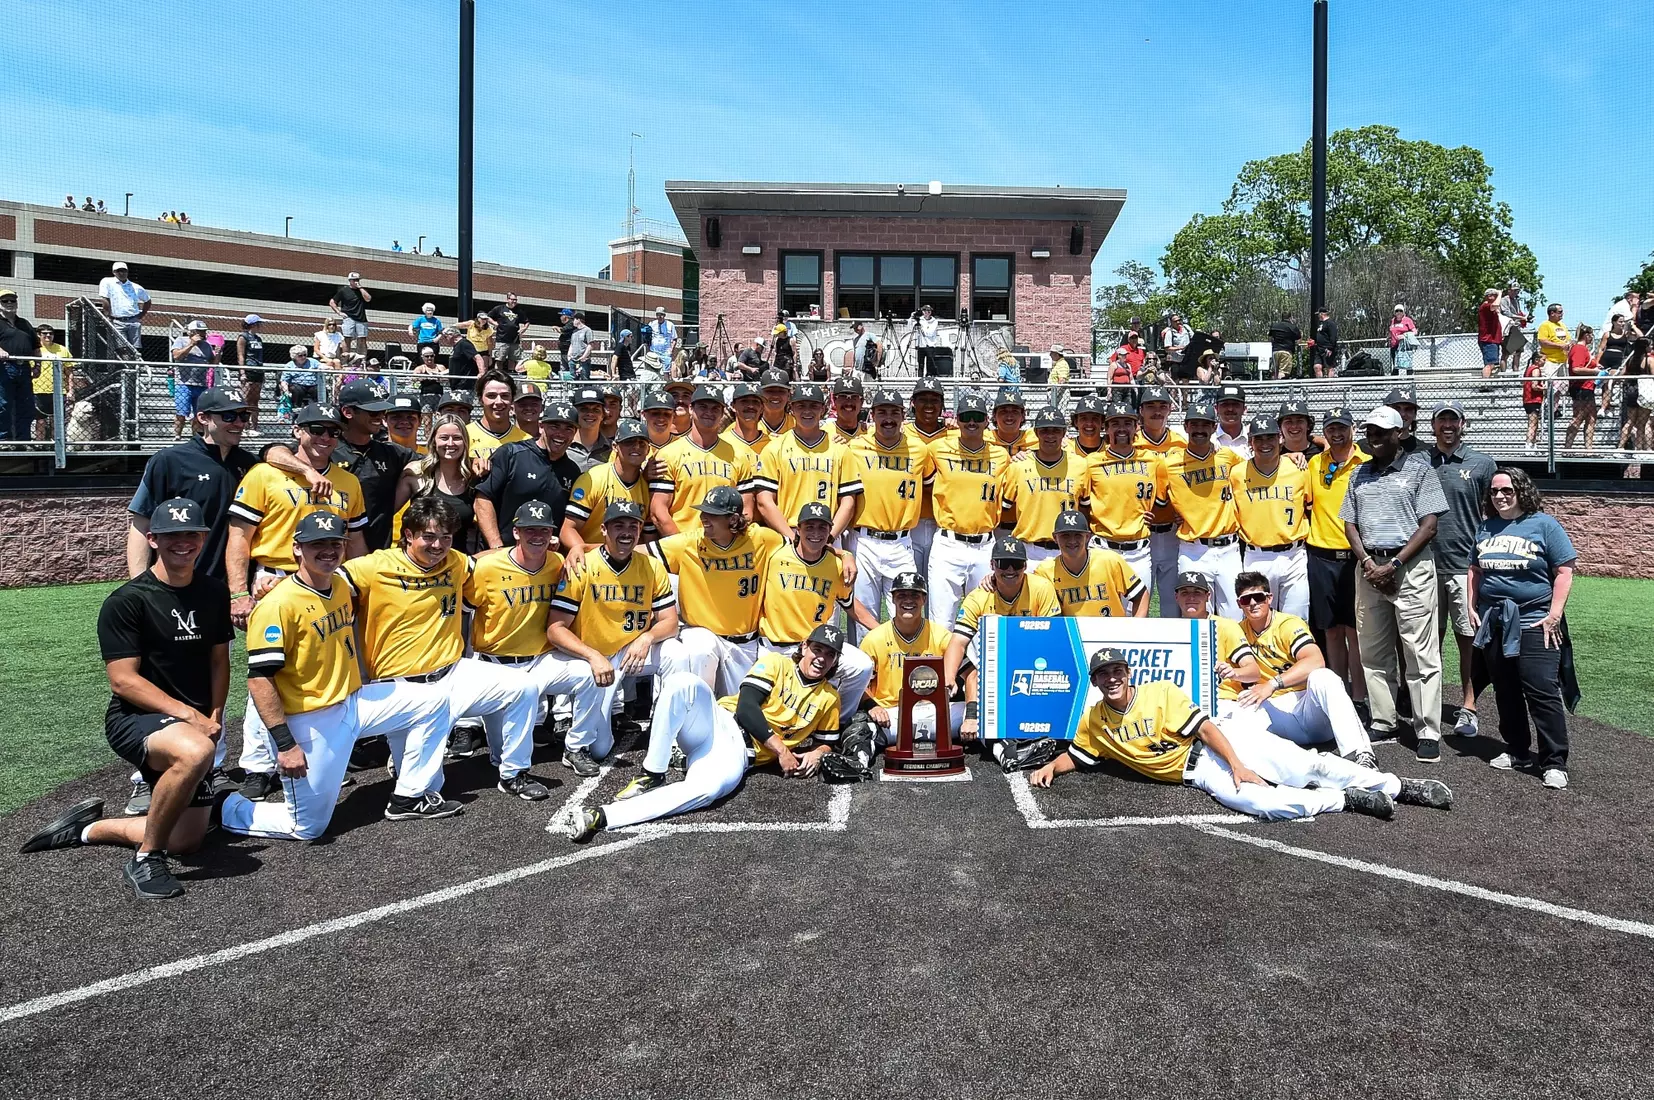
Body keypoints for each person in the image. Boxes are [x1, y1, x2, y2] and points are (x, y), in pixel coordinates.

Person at [18, 499, 233, 899]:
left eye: (191, 534)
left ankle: (84, 828)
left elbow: (219, 661)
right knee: (194, 751)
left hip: (194, 723)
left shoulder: (213, 592)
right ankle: (145, 859)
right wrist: (192, 718)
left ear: (203, 538)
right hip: (137, 718)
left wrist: (215, 715)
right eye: (171, 535)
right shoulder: (127, 600)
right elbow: (123, 682)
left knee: (187, 842)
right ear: (152, 539)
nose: (182, 542)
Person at [1028, 648, 1451, 821]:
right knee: (1261, 803)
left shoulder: (1157, 693)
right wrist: (1051, 766)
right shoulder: (1095, 720)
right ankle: (1345, 800)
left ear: (1127, 672)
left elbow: (1208, 729)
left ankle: (1398, 786)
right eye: (1104, 675)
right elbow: (1081, 756)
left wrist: (1238, 765)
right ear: (1097, 682)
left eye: (1117, 671)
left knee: (1304, 763)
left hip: (1221, 743)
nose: (1112, 679)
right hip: (1195, 774)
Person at [567, 626, 845, 842]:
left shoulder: (830, 698)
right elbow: (747, 708)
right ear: (804, 647)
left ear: (834, 662)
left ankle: (601, 816)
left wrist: (817, 754)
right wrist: (782, 751)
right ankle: (653, 772)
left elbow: (827, 742)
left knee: (706, 791)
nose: (820, 658)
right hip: (716, 720)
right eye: (817, 649)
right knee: (683, 682)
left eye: (829, 654)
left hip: (736, 755)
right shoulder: (777, 663)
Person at [218, 510, 364, 840]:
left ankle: (412, 790)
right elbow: (259, 679)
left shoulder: (338, 582)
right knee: (307, 826)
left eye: (334, 543)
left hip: (351, 703)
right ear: (297, 548)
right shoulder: (276, 605)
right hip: (305, 719)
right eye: (317, 544)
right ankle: (224, 806)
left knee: (430, 701)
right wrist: (286, 746)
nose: (328, 550)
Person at [465, 501, 596, 799]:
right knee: (497, 755)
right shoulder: (486, 567)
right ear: (516, 532)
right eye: (529, 530)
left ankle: (574, 748)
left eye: (543, 529)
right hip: (495, 665)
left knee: (589, 672)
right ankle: (506, 766)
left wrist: (578, 547)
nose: (536, 535)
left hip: (541, 661)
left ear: (552, 533)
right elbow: (463, 611)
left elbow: (607, 547)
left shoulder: (556, 563)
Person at [1339, 406, 1449, 762]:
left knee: (1419, 652)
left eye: (1381, 431)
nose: (1374, 437)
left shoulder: (1420, 468)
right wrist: (1370, 564)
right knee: (1372, 649)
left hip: (1410, 568)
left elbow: (1429, 525)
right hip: (1370, 566)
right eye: (1370, 430)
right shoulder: (1358, 475)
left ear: (1399, 433)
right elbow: (1349, 524)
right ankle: (1383, 719)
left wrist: (1395, 564)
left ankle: (1427, 729)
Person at [547, 500, 683, 776]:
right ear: (604, 530)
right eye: (618, 525)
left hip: (633, 651)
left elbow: (670, 623)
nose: (626, 532)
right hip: (595, 657)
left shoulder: (651, 566)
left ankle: (673, 736)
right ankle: (577, 746)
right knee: (600, 748)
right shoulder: (583, 564)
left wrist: (646, 639)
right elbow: (555, 628)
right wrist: (592, 656)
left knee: (678, 654)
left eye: (633, 526)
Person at [1469, 468, 1577, 790]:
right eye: (1494, 491)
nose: (1500, 496)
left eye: (1507, 490)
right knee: (1505, 687)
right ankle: (1517, 750)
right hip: (1495, 620)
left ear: (1522, 490)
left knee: (1541, 689)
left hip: (1535, 619)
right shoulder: (1486, 527)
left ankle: (1554, 761)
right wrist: (1472, 605)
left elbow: (1564, 570)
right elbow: (1474, 568)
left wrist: (1555, 614)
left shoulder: (1544, 524)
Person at [1228, 570, 1376, 766]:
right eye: (1246, 600)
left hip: (1307, 707)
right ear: (1239, 604)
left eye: (1258, 597)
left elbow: (1316, 661)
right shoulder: (1236, 631)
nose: (1253, 603)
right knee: (1239, 708)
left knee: (1324, 677)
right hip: (1274, 710)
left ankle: (1361, 754)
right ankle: (1288, 768)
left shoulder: (1288, 624)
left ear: (1269, 598)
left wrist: (1272, 684)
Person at [650, 485, 784, 695]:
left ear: (732, 519)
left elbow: (803, 550)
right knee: (700, 650)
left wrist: (842, 555)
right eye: (704, 512)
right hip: (701, 634)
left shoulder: (761, 538)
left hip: (745, 644)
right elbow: (635, 554)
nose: (703, 517)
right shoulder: (690, 542)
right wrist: (582, 548)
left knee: (734, 712)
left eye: (712, 514)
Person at [755, 501, 876, 719]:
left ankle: (839, 722)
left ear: (830, 531)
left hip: (816, 649)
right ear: (797, 529)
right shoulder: (775, 553)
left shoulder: (835, 565)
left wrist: (880, 630)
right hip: (773, 649)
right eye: (809, 527)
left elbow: (849, 604)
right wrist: (844, 553)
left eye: (822, 528)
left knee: (862, 665)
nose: (816, 533)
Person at [944, 536, 1060, 757]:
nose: (1009, 569)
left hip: (1033, 660)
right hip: (992, 667)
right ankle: (974, 715)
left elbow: (1051, 640)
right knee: (984, 634)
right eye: (1002, 563)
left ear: (1025, 566)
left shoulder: (1041, 588)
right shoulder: (978, 597)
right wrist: (948, 678)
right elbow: (959, 641)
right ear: (992, 565)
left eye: (1015, 564)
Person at [1425, 401, 1497, 739]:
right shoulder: (1419, 461)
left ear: (1463, 423)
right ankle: (1429, 705)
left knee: (1467, 639)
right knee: (1427, 641)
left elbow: (1494, 512)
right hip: (1423, 564)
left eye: (1453, 420)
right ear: (1433, 425)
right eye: (1442, 421)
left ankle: (1469, 706)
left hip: (1464, 566)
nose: (1447, 426)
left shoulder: (1482, 464)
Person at [923, 391, 1012, 628]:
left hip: (985, 545)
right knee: (942, 621)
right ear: (957, 419)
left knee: (986, 620)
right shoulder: (936, 449)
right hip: (948, 544)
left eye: (977, 416)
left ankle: (980, 667)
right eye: (965, 417)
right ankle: (943, 666)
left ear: (986, 421)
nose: (971, 422)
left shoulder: (1001, 455)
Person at [1304, 407, 1368, 719]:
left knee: (1354, 631)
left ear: (1352, 428)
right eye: (1331, 428)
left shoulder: (1367, 463)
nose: (1336, 433)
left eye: (1342, 427)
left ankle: (1359, 697)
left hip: (1354, 557)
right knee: (1330, 629)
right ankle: (1338, 694)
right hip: (1320, 555)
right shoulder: (1315, 463)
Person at [844, 387, 927, 622]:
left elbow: (931, 484)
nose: (888, 419)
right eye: (882, 412)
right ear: (872, 415)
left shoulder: (919, 451)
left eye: (894, 412)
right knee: (863, 618)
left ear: (903, 416)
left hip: (901, 542)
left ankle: (902, 660)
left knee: (906, 615)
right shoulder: (855, 448)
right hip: (863, 541)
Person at [1165, 400, 1244, 617]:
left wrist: (1290, 454)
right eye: (1195, 424)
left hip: (1229, 548)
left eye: (1205, 424)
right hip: (1193, 550)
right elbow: (1157, 497)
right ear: (1186, 426)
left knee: (1235, 616)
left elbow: (1257, 468)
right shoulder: (1169, 463)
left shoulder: (1228, 456)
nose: (1200, 429)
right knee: (1195, 615)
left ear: (1213, 427)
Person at [754, 384, 863, 542]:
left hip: (828, 531)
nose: (807, 411)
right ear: (791, 409)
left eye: (813, 406)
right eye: (801, 406)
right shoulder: (774, 448)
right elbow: (764, 501)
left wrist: (830, 538)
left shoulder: (840, 449)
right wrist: (792, 538)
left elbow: (848, 502)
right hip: (788, 532)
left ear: (823, 409)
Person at [1229, 416, 1312, 620]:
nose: (1265, 444)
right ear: (1250, 442)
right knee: (1258, 620)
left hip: (1294, 555)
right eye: (1259, 439)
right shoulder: (1237, 473)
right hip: (1256, 555)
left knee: (1296, 621)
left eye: (1270, 438)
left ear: (1281, 439)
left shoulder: (1299, 469)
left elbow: (1309, 506)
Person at [651, 384, 759, 535]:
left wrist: (728, 542)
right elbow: (658, 512)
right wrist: (683, 546)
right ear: (691, 409)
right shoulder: (668, 454)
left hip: (725, 546)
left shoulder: (738, 454)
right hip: (682, 543)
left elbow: (746, 510)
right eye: (703, 406)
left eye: (715, 408)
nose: (709, 412)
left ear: (722, 413)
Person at [473, 400, 582, 549]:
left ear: (575, 433)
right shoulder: (511, 454)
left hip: (544, 560)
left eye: (568, 428)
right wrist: (496, 546)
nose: (560, 434)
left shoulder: (572, 471)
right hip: (501, 555)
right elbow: (482, 500)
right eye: (554, 426)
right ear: (541, 426)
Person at [1083, 401, 1167, 592]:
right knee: (1103, 611)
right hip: (1103, 547)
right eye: (1115, 423)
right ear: (1106, 428)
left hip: (1139, 550)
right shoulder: (1090, 462)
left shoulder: (1154, 461)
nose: (1121, 429)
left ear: (1137, 426)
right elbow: (1082, 503)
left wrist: (1149, 515)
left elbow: (1162, 502)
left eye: (1127, 423)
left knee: (1138, 613)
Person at [999, 407, 1088, 564]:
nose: (1050, 435)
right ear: (1036, 432)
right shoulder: (1018, 466)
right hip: (1029, 550)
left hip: (1067, 549)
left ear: (1063, 432)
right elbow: (1004, 508)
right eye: (1045, 430)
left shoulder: (1080, 465)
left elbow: (1086, 508)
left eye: (1055, 430)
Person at [1035, 509, 1146, 618]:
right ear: (1055, 538)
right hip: (1072, 635)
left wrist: (1136, 630)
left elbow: (1141, 595)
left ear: (1087, 537)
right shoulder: (1045, 572)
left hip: (1111, 633)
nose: (1072, 541)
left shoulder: (1109, 561)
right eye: (1065, 535)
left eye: (1078, 535)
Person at [395, 412, 479, 552]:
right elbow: (385, 515)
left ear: (465, 442)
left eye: (457, 438)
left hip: (457, 562)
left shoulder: (474, 476)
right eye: (444, 438)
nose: (450, 443)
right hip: (417, 560)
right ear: (434, 440)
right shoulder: (416, 473)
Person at [466, 370, 531, 465]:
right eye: (491, 396)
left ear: (512, 400)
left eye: (505, 396)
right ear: (480, 400)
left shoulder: (526, 441)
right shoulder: (463, 435)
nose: (499, 402)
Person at [168, 320, 217, 437]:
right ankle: (177, 436)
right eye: (200, 331)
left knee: (199, 414)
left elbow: (212, 363)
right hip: (183, 384)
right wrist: (191, 344)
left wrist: (218, 354)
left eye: (204, 331)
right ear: (192, 332)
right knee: (181, 412)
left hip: (201, 384)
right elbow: (176, 356)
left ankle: (196, 437)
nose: (203, 334)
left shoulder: (207, 345)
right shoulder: (180, 341)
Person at [98, 261, 151, 354]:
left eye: (124, 271)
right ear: (114, 272)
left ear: (127, 272)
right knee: (122, 347)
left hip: (133, 319)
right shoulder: (107, 282)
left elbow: (147, 300)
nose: (122, 273)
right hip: (117, 320)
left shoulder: (136, 287)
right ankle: (127, 365)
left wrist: (142, 314)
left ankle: (134, 366)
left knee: (135, 347)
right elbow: (104, 299)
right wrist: (107, 315)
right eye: (119, 271)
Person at [31, 324, 71, 441]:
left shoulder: (62, 350)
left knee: (57, 420)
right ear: (39, 335)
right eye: (44, 333)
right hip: (39, 390)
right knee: (40, 420)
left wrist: (71, 390)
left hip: (59, 390)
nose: (48, 335)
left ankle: (56, 443)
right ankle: (40, 445)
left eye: (50, 333)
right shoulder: (34, 351)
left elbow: (69, 371)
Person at [1562, 322, 1598, 453]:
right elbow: (1576, 368)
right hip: (1581, 387)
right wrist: (1595, 372)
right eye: (1591, 335)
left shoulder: (1583, 349)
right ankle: (1567, 448)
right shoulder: (1579, 348)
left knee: (1591, 417)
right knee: (1578, 417)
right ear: (1586, 335)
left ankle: (1589, 449)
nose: (1592, 338)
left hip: (1588, 386)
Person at [329, 271, 373, 361]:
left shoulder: (361, 291)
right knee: (347, 339)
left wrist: (360, 287)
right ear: (350, 281)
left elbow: (368, 299)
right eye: (354, 280)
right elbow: (332, 302)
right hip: (349, 317)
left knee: (362, 340)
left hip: (361, 318)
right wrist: (339, 312)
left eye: (357, 279)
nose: (356, 281)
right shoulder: (344, 290)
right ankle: (346, 360)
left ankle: (362, 361)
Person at [990, 388, 1035, 456]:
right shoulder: (983, 439)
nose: (1009, 417)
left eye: (1015, 411)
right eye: (1003, 411)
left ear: (1023, 416)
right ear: (994, 415)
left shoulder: (1035, 438)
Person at [487, 292, 529, 366]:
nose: (514, 301)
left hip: (515, 341)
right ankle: (498, 376)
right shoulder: (499, 308)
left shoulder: (519, 311)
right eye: (512, 299)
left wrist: (524, 328)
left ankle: (512, 376)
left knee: (513, 360)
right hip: (501, 340)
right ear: (507, 299)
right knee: (499, 360)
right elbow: (488, 317)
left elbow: (527, 322)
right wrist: (494, 323)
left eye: (516, 300)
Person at [1211, 385, 1250, 457]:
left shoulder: (1253, 439)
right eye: (1225, 404)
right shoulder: (1209, 439)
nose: (1230, 409)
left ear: (1244, 409)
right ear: (1216, 409)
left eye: (1236, 404)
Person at [1500, 282, 1530, 376]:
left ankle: (1516, 373)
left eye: (1518, 290)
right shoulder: (1504, 300)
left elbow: (1517, 314)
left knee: (1518, 352)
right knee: (1506, 353)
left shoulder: (1516, 301)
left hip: (1516, 328)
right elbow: (1506, 314)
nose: (1516, 292)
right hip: (1508, 329)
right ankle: (1503, 376)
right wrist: (1521, 318)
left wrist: (1525, 318)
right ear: (1509, 290)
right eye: (1514, 290)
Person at [281, 345, 322, 410]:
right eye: (300, 356)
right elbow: (284, 381)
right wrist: (286, 391)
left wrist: (326, 367)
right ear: (294, 357)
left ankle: (319, 408)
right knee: (297, 390)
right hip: (298, 385)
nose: (303, 357)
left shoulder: (312, 361)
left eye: (305, 355)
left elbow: (321, 366)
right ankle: (296, 408)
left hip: (312, 384)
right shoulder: (289, 366)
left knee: (318, 390)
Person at [828, 375, 865, 446]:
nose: (848, 402)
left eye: (854, 397)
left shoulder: (872, 434)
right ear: (834, 400)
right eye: (843, 396)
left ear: (862, 402)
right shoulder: (823, 434)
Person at [445, 325, 484, 391]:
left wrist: (481, 372)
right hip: (456, 386)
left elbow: (478, 357)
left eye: (445, 337)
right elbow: (455, 367)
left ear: (451, 335)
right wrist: (439, 374)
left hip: (464, 385)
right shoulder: (456, 347)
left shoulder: (464, 343)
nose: (445, 339)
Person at [1521, 351, 1546, 454]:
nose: (1545, 362)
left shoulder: (1529, 369)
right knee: (1533, 424)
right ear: (1537, 360)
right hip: (1533, 400)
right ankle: (1528, 446)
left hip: (1528, 400)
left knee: (1535, 423)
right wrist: (1544, 387)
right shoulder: (1535, 370)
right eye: (1543, 359)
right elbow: (1534, 386)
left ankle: (1533, 445)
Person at [907, 305, 942, 377]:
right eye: (925, 311)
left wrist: (921, 327)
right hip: (921, 345)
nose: (927, 313)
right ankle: (920, 379)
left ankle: (929, 379)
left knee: (930, 365)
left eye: (929, 311)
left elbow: (930, 333)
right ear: (923, 312)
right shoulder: (920, 320)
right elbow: (910, 327)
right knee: (920, 364)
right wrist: (911, 318)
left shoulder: (934, 321)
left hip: (930, 345)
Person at [1477, 288, 1505, 379]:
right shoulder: (1485, 306)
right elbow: (1495, 305)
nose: (1497, 298)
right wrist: (1500, 293)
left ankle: (1488, 382)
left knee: (1493, 364)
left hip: (1493, 340)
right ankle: (1485, 383)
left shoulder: (1491, 309)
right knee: (1489, 364)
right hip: (1488, 340)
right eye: (1495, 296)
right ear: (1489, 296)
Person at [1267, 312, 1301, 379]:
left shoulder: (1274, 326)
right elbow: (1298, 339)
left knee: (1274, 371)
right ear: (1290, 318)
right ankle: (1280, 387)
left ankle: (1272, 387)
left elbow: (1270, 338)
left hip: (1275, 351)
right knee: (1283, 372)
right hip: (1286, 351)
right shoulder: (1292, 327)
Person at [1160, 314, 1192, 381]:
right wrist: (1179, 348)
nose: (1178, 322)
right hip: (1175, 362)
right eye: (1175, 321)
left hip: (1186, 360)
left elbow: (1194, 337)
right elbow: (1167, 348)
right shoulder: (1169, 332)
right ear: (1171, 322)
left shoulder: (1186, 328)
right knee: (1175, 382)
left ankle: (1185, 392)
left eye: (1179, 320)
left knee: (1185, 381)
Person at [1309, 306, 1338, 378]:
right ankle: (1320, 384)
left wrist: (1330, 348)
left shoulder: (1330, 324)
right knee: (1317, 367)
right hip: (1319, 349)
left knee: (1329, 367)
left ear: (1322, 314)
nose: (1318, 316)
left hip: (1327, 349)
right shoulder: (1320, 324)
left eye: (1318, 314)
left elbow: (1333, 337)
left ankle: (1329, 385)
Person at [1388, 305, 1419, 374]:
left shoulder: (1407, 320)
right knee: (1395, 364)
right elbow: (1391, 331)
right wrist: (1389, 337)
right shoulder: (1393, 320)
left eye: (1400, 311)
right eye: (1397, 311)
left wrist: (1404, 336)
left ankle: (1409, 380)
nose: (1398, 312)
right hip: (1394, 346)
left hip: (1404, 346)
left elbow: (1415, 332)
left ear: (1403, 312)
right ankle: (1395, 382)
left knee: (1407, 363)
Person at [565, 311, 595, 379]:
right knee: (572, 378)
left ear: (578, 320)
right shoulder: (574, 332)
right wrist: (569, 355)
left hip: (583, 360)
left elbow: (590, 344)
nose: (573, 321)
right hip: (573, 359)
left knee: (585, 378)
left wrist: (584, 356)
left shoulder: (587, 330)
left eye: (574, 319)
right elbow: (572, 344)